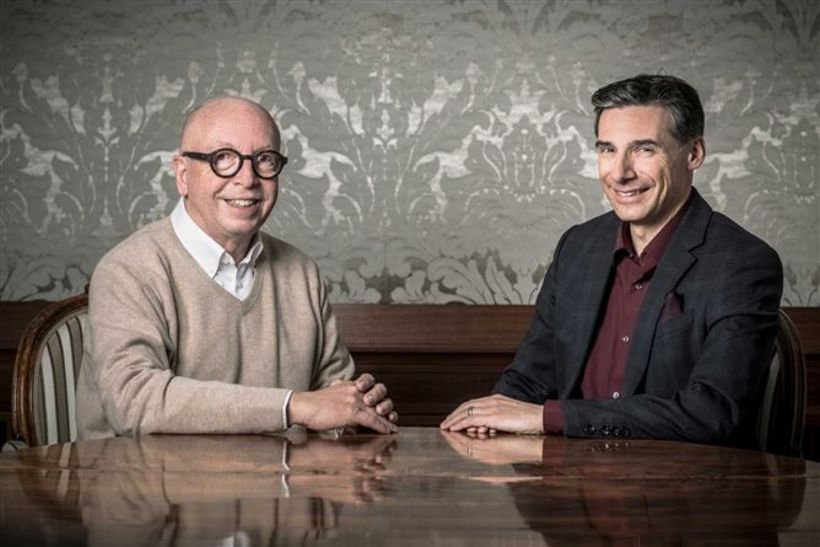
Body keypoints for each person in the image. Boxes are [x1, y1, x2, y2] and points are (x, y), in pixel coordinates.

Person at [441, 74, 783, 447]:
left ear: (694, 154)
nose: (620, 173)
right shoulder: (577, 246)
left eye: (644, 149)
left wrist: (549, 417)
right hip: (563, 477)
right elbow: (529, 379)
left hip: (680, 480)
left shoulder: (744, 263)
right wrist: (486, 421)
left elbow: (710, 413)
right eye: (607, 149)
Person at [77, 96, 398, 438]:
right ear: (183, 175)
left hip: (283, 474)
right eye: (223, 158)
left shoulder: (302, 273)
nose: (247, 179)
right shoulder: (129, 270)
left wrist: (354, 415)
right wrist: (293, 406)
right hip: (141, 473)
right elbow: (133, 400)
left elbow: (331, 393)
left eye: (264, 159)